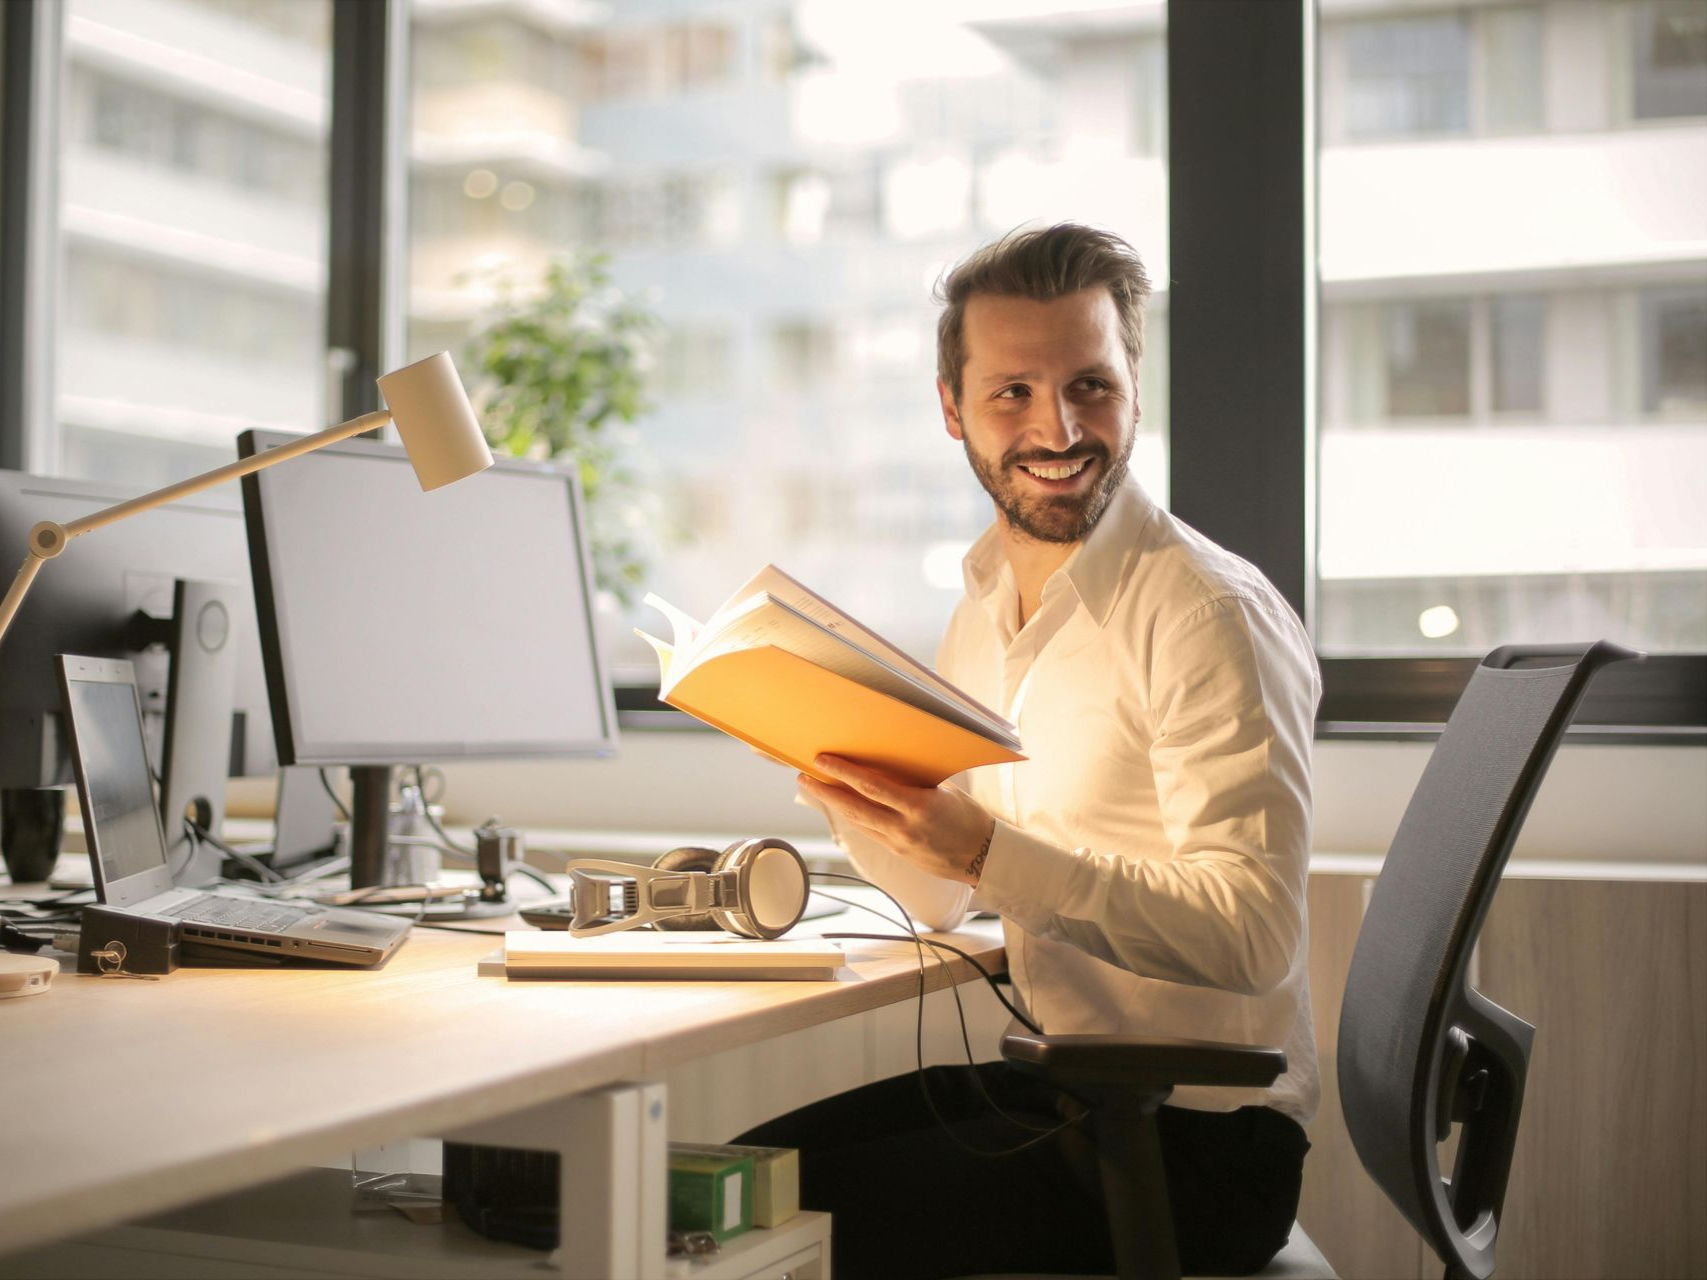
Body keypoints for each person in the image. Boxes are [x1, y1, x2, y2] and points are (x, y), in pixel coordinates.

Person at [738, 223, 1320, 1278]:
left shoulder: (1206, 612)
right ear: (951, 408)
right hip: (1069, 1089)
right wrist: (848, 783)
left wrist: (986, 850)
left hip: (1197, 1144)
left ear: (1135, 386)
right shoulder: (987, 602)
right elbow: (941, 898)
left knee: (741, 1236)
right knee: (724, 1180)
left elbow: (1253, 933)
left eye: (1090, 384)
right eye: (1013, 391)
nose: (1058, 426)